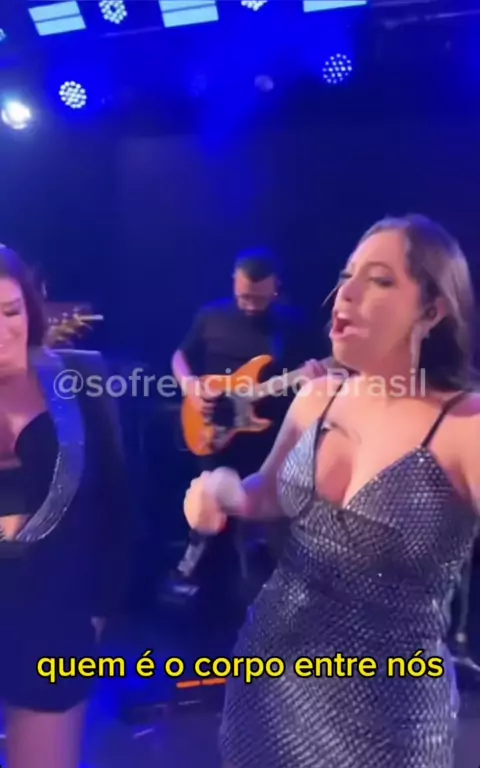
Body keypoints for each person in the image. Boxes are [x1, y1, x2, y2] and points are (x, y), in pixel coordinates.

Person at [184, 215, 480, 767]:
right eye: (347, 277)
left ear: (433, 310)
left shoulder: (465, 425)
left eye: (380, 280)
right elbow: (265, 493)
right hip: (269, 686)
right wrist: (221, 491)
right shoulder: (318, 397)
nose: (346, 293)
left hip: (389, 716)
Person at [0, 245, 130, 768]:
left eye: (10, 311)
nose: (1, 330)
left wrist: (98, 610)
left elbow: (116, 504)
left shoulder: (77, 380)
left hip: (52, 619)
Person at [171, 249, 325, 599]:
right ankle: (198, 583)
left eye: (259, 298)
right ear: (234, 283)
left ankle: (255, 599)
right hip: (213, 429)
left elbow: (317, 377)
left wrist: (315, 379)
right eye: (243, 296)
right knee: (210, 515)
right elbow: (180, 355)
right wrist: (191, 386)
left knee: (257, 528)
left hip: (267, 439)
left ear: (276, 287)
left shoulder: (294, 325)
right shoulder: (212, 315)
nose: (250, 305)